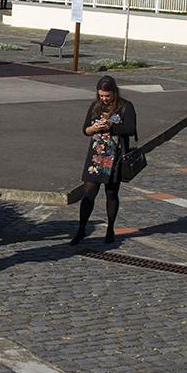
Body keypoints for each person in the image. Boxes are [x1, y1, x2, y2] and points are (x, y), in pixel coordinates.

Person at [71, 76, 137, 246]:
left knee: (111, 193)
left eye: (107, 95)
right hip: (96, 155)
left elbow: (131, 129)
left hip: (114, 155)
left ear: (114, 92)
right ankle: (81, 229)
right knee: (88, 193)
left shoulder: (125, 106)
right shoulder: (95, 106)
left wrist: (111, 127)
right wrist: (93, 129)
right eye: (101, 95)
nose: (104, 98)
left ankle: (110, 229)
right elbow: (85, 129)